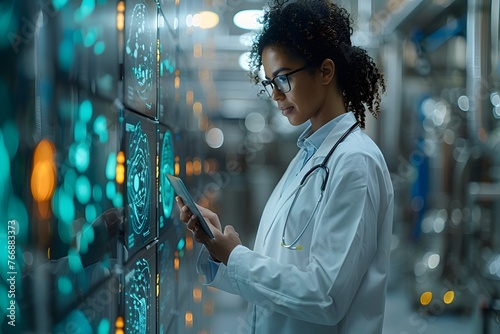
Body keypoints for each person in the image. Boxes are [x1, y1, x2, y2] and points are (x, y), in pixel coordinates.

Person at [176, 0, 394, 333]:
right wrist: (223, 251)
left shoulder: (355, 164)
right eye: (269, 83)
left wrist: (237, 258)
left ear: (325, 71)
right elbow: (280, 280)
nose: (276, 95)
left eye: (283, 79)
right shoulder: (307, 157)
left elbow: (325, 298)